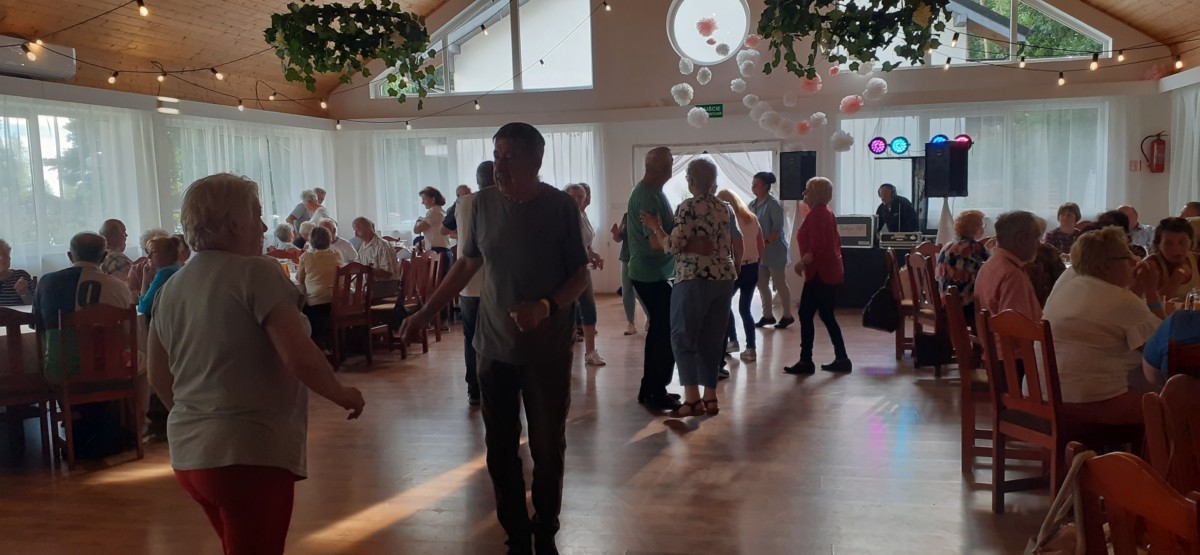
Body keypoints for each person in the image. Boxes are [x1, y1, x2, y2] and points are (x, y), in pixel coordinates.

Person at [147, 173, 364, 555]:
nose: (264, 227)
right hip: (247, 454)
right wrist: (341, 393)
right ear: (233, 223)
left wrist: (195, 418)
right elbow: (298, 354)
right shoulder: (256, 272)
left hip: (190, 455)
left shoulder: (170, 288)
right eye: (257, 215)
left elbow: (158, 372)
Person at [400, 123, 589, 555]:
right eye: (496, 155)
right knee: (500, 449)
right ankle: (516, 536)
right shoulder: (481, 205)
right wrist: (426, 312)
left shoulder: (560, 207)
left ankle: (546, 529)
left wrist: (545, 306)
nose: (499, 165)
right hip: (493, 347)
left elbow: (580, 276)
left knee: (547, 446)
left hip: (546, 351)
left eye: (510, 157)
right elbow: (467, 264)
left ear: (536, 161)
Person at [640, 159, 738, 416]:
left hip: (694, 277)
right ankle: (711, 397)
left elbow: (672, 246)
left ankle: (692, 399)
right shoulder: (725, 208)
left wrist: (655, 226)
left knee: (682, 336)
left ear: (691, 181)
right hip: (723, 277)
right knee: (712, 339)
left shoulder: (688, 206)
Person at [1043, 227, 1161, 425]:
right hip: (1090, 404)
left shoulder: (1067, 287)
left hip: (1044, 398)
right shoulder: (1120, 300)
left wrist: (1137, 288)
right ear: (1106, 266)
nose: (1134, 261)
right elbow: (1162, 348)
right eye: (1127, 256)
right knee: (1173, 405)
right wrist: (1151, 291)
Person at [627, 147, 683, 412]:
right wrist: (680, 240)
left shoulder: (654, 192)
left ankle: (651, 388)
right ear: (663, 168)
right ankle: (655, 391)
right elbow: (655, 243)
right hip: (649, 274)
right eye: (670, 162)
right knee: (664, 332)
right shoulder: (647, 196)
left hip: (655, 273)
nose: (672, 166)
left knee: (661, 331)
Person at [785, 177, 850, 374]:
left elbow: (818, 246)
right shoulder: (826, 212)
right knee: (825, 314)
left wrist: (802, 263)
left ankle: (807, 361)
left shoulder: (818, 214)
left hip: (821, 273)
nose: (804, 194)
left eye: (807, 190)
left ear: (816, 194)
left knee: (807, 314)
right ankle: (840, 358)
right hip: (827, 271)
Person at [456, 161, 495, 405]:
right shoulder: (499, 201)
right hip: (494, 284)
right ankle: (497, 387)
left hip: (467, 284)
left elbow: (448, 228)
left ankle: (474, 389)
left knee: (471, 338)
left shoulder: (462, 202)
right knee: (498, 338)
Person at [717, 189, 763, 362]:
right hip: (753, 266)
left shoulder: (727, 220)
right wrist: (757, 263)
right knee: (745, 309)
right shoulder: (752, 218)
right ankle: (751, 348)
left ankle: (733, 340)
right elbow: (760, 244)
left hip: (736, 267)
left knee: (724, 304)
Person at [564, 183, 606, 367]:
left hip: (582, 268)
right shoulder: (562, 218)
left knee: (589, 308)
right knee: (567, 312)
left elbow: (585, 243)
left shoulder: (583, 215)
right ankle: (563, 353)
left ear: (584, 199)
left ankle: (590, 352)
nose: (576, 200)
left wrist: (592, 254)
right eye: (572, 196)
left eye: (579, 196)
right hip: (567, 271)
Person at [749, 171, 794, 328]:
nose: (753, 187)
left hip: (775, 251)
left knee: (779, 283)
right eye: (752, 184)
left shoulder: (773, 205)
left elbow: (777, 230)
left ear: (766, 186)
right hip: (759, 252)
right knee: (761, 284)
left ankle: (787, 315)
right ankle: (767, 315)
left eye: (756, 185)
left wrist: (765, 242)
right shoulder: (751, 205)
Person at [935, 210, 989, 320]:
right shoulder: (974, 247)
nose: (983, 228)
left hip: (946, 300)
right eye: (982, 225)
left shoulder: (949, 245)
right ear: (975, 228)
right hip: (963, 304)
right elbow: (992, 266)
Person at [297, 226, 343, 339]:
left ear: (311, 241)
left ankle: (315, 342)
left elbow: (299, 279)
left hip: (317, 304)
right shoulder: (337, 254)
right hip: (339, 302)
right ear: (329, 239)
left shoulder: (306, 257)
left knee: (299, 309)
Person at [1144, 217, 1200, 301]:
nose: (1176, 249)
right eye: (1168, 244)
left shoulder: (1197, 260)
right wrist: (1178, 277)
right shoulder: (1151, 265)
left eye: (1182, 243)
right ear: (1158, 245)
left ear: (1191, 243)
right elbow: (1154, 304)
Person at [610, 214, 648, 335]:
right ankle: (631, 323)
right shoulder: (626, 216)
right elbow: (618, 239)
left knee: (640, 290)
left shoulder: (644, 215)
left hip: (641, 258)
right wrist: (615, 234)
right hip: (626, 257)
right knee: (626, 290)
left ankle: (649, 317)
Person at [136, 236, 185, 317]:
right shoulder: (177, 268)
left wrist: (145, 281)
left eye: (153, 252)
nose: (148, 256)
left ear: (167, 254)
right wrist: (146, 279)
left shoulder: (165, 273)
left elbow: (143, 308)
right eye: (148, 252)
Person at [128, 228, 170, 301]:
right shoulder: (136, 270)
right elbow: (131, 297)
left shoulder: (175, 266)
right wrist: (146, 282)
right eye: (150, 251)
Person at [352, 216, 398, 281]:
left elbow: (388, 273)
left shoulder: (383, 245)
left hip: (385, 284)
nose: (356, 235)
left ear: (368, 229)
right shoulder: (363, 246)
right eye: (355, 231)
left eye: (358, 230)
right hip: (370, 284)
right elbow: (359, 265)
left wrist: (367, 270)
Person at [0, 239, 34, 306]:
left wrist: (23, 292)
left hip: (18, 313)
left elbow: (33, 306)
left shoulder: (21, 276)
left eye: (5, 255)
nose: (2, 259)